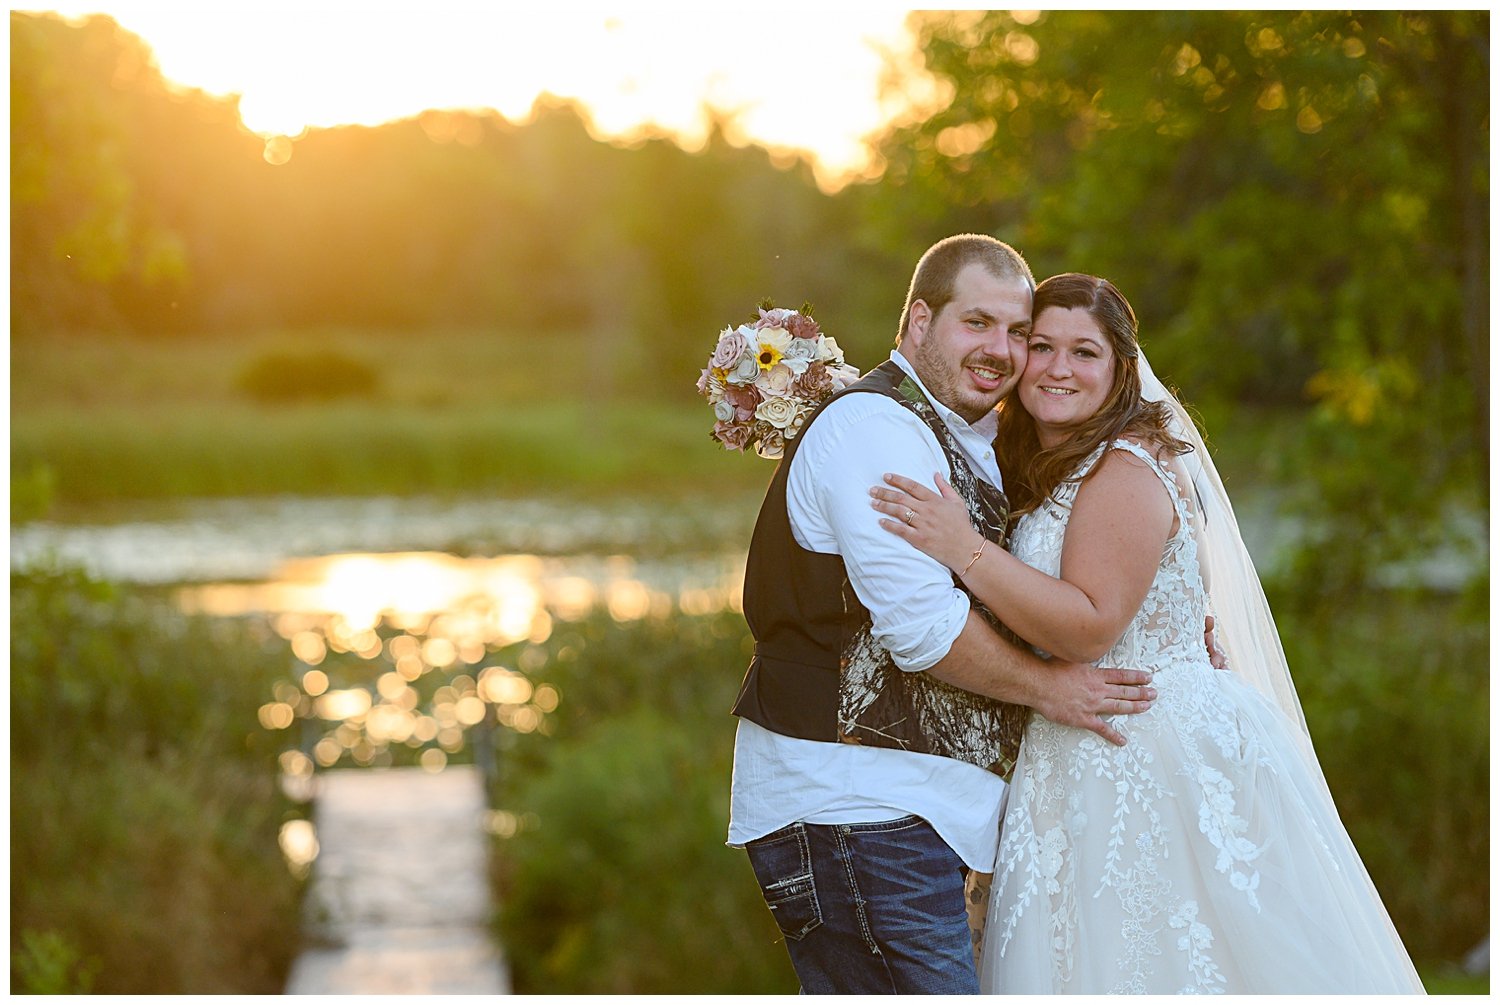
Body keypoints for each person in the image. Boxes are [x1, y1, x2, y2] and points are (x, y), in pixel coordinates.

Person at [870, 273, 1426, 994]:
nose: (1059, 368)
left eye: (1085, 352)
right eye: (1041, 346)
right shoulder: (1053, 466)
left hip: (1148, 751)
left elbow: (1090, 625)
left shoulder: (1124, 466)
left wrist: (963, 549)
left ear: (1120, 369)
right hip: (1085, 744)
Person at [725, 235, 1160, 995]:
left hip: (918, 814)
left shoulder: (983, 437)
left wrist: (1173, 621)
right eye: (977, 323)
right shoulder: (873, 430)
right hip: (856, 806)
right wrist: (1051, 689)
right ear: (918, 322)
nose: (1002, 350)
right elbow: (923, 632)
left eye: (1016, 333)